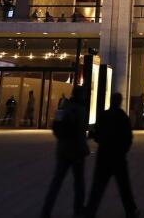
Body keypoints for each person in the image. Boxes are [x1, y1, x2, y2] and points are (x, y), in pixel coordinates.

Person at [85, 93, 140, 218]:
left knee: (97, 186)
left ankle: (90, 210)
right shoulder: (123, 117)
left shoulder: (103, 115)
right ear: (120, 102)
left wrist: (102, 141)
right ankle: (130, 210)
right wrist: (123, 150)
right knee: (124, 186)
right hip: (118, 157)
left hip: (103, 156)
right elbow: (128, 138)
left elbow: (96, 134)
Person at [40, 86, 89, 217]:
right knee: (79, 183)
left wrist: (63, 141)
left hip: (62, 149)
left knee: (56, 182)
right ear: (81, 95)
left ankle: (46, 210)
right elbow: (80, 132)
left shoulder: (64, 107)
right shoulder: (80, 110)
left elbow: (56, 128)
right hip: (76, 151)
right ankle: (78, 210)